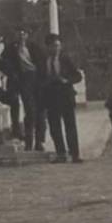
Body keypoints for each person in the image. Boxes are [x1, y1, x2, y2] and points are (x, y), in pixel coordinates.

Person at [40, 33, 83, 163]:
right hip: (51, 98)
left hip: (66, 96)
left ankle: (75, 154)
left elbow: (78, 76)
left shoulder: (65, 59)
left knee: (70, 125)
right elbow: (39, 78)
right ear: (47, 47)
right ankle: (61, 153)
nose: (56, 48)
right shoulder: (43, 61)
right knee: (55, 127)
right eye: (53, 46)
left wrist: (66, 80)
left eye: (58, 45)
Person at [1, 28, 46, 151]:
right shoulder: (10, 48)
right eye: (19, 33)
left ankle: (39, 141)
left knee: (41, 112)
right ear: (16, 35)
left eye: (24, 33)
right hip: (23, 80)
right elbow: (2, 62)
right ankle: (29, 141)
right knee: (30, 111)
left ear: (27, 35)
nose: (21, 36)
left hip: (36, 79)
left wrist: (41, 77)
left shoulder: (34, 47)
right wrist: (13, 74)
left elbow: (43, 62)